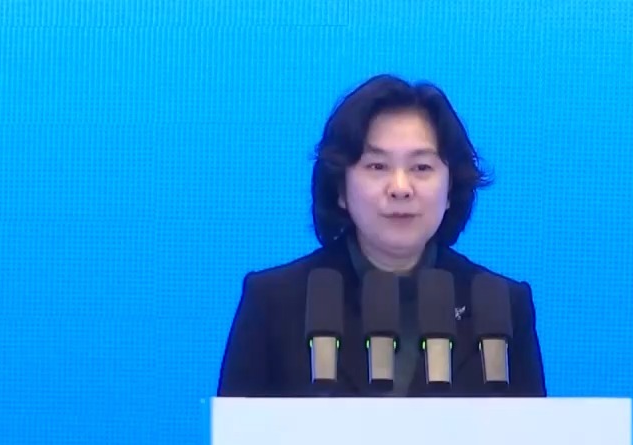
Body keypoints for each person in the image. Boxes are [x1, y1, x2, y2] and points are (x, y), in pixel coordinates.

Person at [217, 74, 546, 397]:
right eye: (377, 166)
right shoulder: (275, 302)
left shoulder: (499, 306)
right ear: (340, 188)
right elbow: (236, 430)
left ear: (451, 188)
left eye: (421, 167)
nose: (400, 188)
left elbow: (532, 431)